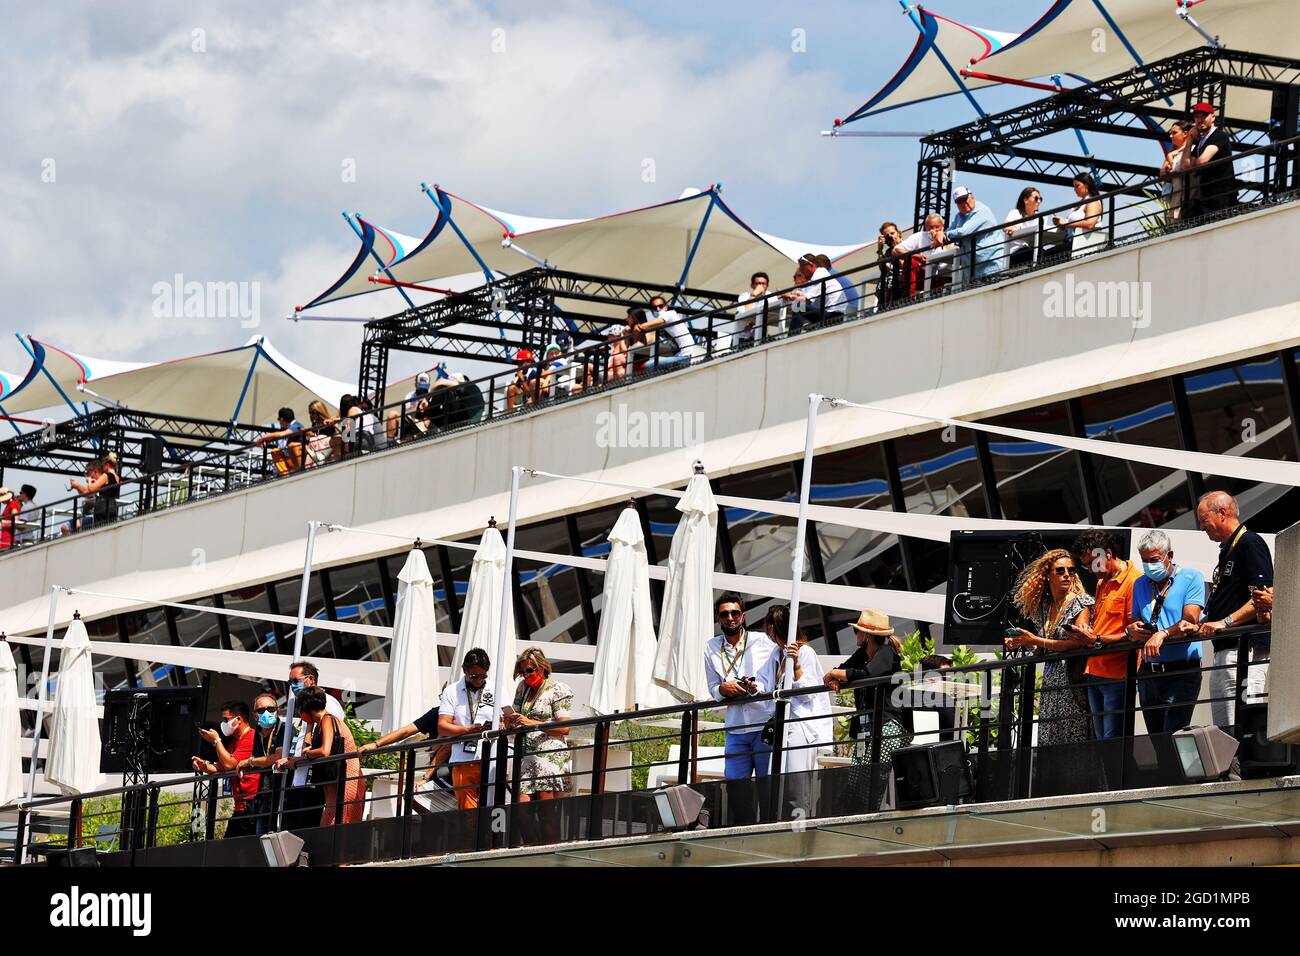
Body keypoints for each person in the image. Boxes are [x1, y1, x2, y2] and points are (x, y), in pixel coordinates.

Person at [1194, 491, 1273, 732]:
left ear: (1222, 513)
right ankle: (1231, 770)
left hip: (1243, 650)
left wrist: (1224, 622)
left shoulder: (1250, 542)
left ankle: (1245, 769)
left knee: (1241, 724)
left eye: (1203, 519)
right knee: (1224, 728)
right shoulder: (1227, 548)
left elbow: (1262, 596)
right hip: (1224, 649)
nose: (1201, 527)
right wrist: (1203, 622)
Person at [824, 608, 913, 811]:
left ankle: (867, 815)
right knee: (857, 776)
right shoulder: (862, 654)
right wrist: (837, 675)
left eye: (856, 631)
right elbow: (845, 670)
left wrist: (837, 673)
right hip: (867, 727)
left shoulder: (887, 653)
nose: (855, 635)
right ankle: (858, 814)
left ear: (866, 635)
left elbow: (868, 675)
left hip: (888, 724)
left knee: (873, 776)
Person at [1005, 549, 1093, 746]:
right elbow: (1042, 648)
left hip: (1072, 681)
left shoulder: (1081, 603)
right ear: (1047, 574)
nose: (1067, 575)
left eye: (1071, 570)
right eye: (1060, 571)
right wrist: (1022, 641)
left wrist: (1036, 640)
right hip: (1051, 681)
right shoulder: (1045, 606)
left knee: (1074, 739)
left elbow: (1077, 643)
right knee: (1050, 739)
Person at [704, 593, 779, 824]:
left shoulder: (763, 642)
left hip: (763, 723)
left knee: (768, 786)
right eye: (725, 614)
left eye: (735, 613)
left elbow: (773, 681)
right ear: (718, 618)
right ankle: (745, 832)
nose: (730, 618)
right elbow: (712, 688)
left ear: (743, 616)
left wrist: (753, 687)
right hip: (736, 728)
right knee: (737, 789)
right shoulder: (711, 647)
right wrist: (724, 690)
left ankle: (770, 830)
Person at [1124, 530, 1205, 735]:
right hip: (1149, 674)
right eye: (1144, 560)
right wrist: (1132, 630)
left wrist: (1162, 634)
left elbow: (1190, 620)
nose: (1149, 565)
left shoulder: (1190, 577)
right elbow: (1134, 620)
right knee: (1157, 741)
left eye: (1154, 559)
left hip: (1181, 672)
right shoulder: (1140, 583)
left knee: (1174, 737)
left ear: (1169, 556)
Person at [1070, 529, 1142, 740]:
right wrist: (1087, 632)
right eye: (1086, 565)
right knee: (1104, 743)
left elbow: (1134, 632)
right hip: (1095, 671)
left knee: (1112, 743)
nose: (1091, 570)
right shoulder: (1103, 582)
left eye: (1093, 562)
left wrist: (1097, 639)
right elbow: (1105, 624)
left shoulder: (1134, 581)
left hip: (1118, 675)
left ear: (1108, 553)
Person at [764, 605, 832, 818]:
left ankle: (799, 826)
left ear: (774, 628)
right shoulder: (776, 654)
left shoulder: (804, 652)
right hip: (781, 723)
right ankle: (780, 824)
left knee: (796, 782)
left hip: (800, 724)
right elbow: (766, 684)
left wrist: (796, 668)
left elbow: (809, 694)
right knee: (778, 780)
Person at [502, 648, 574, 800]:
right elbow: (516, 714)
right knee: (521, 811)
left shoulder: (557, 690)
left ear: (541, 668)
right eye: (522, 672)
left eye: (529, 670)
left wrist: (531, 723)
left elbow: (565, 728)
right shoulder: (523, 688)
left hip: (549, 756)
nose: (526, 675)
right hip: (526, 755)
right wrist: (510, 722)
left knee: (545, 814)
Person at [276, 686, 350, 828]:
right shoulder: (320, 722)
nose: (299, 714)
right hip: (332, 782)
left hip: (342, 779)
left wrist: (308, 753)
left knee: (331, 820)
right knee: (329, 819)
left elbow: (324, 751)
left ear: (306, 708)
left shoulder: (327, 719)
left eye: (300, 710)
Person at [191, 700, 259, 838]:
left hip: (251, 804)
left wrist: (217, 741)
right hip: (240, 805)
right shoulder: (235, 741)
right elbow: (222, 766)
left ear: (238, 719)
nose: (223, 723)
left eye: (225, 719)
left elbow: (229, 764)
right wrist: (204, 765)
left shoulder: (251, 737)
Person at [438, 648, 495, 810]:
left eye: (483, 676)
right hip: (463, 760)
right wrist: (468, 730)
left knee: (491, 810)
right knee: (468, 813)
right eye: (474, 676)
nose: (479, 680)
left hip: (492, 759)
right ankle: (471, 836)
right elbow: (442, 727)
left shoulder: (496, 689)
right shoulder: (451, 691)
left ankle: (487, 836)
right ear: (464, 670)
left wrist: (504, 723)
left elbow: (507, 716)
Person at [233, 692, 284, 835]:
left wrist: (249, 761)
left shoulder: (283, 729)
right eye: (261, 710)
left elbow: (277, 757)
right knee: (262, 838)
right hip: (265, 793)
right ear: (255, 715)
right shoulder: (258, 733)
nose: (267, 713)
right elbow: (259, 758)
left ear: (277, 711)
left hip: (283, 794)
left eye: (271, 709)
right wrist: (249, 764)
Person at [939, 186, 1004, 284]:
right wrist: (941, 235)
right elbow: (950, 231)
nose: (963, 203)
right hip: (973, 272)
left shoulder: (982, 211)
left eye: (965, 199)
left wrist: (944, 235)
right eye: (959, 202)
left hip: (991, 268)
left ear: (972, 197)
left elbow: (964, 232)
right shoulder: (959, 216)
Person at [1181, 102, 1235, 219]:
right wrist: (1189, 139)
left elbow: (1202, 161)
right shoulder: (1201, 141)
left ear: (1213, 117)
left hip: (1220, 194)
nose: (1200, 120)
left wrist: (1193, 163)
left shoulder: (1219, 136)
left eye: (1203, 116)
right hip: (1205, 195)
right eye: (1196, 116)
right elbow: (1185, 165)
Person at [890, 214, 953, 296]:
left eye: (937, 227)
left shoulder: (949, 236)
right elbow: (895, 251)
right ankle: (909, 297)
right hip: (922, 277)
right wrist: (915, 256)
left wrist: (943, 242)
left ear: (943, 227)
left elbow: (959, 250)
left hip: (940, 278)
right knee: (911, 260)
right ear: (925, 227)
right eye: (930, 227)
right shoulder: (919, 236)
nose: (933, 230)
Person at [781, 253, 846, 328]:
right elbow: (805, 297)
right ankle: (793, 334)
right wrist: (791, 294)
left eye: (802, 268)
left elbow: (805, 300)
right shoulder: (819, 275)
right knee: (799, 305)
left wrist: (790, 296)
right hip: (831, 314)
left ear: (811, 265)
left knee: (798, 305)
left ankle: (792, 336)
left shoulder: (820, 275)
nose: (801, 271)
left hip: (833, 316)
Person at [1053, 172, 1106, 258]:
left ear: (1086, 185)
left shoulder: (1092, 201)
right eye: (1074, 186)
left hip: (1081, 243)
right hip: (1073, 242)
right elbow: (1073, 224)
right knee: (1046, 255)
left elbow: (1090, 223)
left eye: (1077, 186)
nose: (1074, 189)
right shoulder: (1080, 204)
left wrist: (1066, 224)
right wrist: (1061, 223)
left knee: (1047, 255)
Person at [637, 295, 699, 364]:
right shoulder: (665, 320)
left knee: (648, 364)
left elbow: (658, 321)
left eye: (660, 306)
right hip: (683, 353)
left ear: (666, 307)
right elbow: (649, 330)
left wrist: (640, 326)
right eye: (654, 307)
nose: (658, 309)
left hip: (687, 354)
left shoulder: (669, 314)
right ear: (652, 310)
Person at [1160, 120, 1195, 223]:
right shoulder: (1172, 151)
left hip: (1185, 196)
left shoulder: (1192, 149)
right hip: (1174, 196)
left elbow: (1181, 168)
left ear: (1185, 134)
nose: (1171, 136)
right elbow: (1161, 172)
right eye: (1171, 133)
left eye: (1174, 133)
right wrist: (1168, 170)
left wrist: (1170, 158)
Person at [1003, 187, 1046, 269]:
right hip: (1016, 254)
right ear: (1025, 200)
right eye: (1036, 198)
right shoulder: (1015, 213)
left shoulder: (1040, 218)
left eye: (1040, 199)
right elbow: (1006, 226)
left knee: (1046, 253)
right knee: (1039, 253)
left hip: (1032, 251)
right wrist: (1018, 229)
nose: (1039, 201)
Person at [732, 272, 770, 346]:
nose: (760, 286)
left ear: (767, 286)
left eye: (763, 284)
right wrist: (754, 295)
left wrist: (752, 322)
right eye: (758, 283)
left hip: (759, 338)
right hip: (741, 339)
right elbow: (745, 313)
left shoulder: (770, 296)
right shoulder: (744, 296)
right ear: (752, 285)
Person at [0, 485, 36, 551]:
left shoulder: (13, 504)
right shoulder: (13, 505)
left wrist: (4, 523)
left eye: (21, 493)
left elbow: (16, 521)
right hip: (9, 536)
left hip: (9, 537)